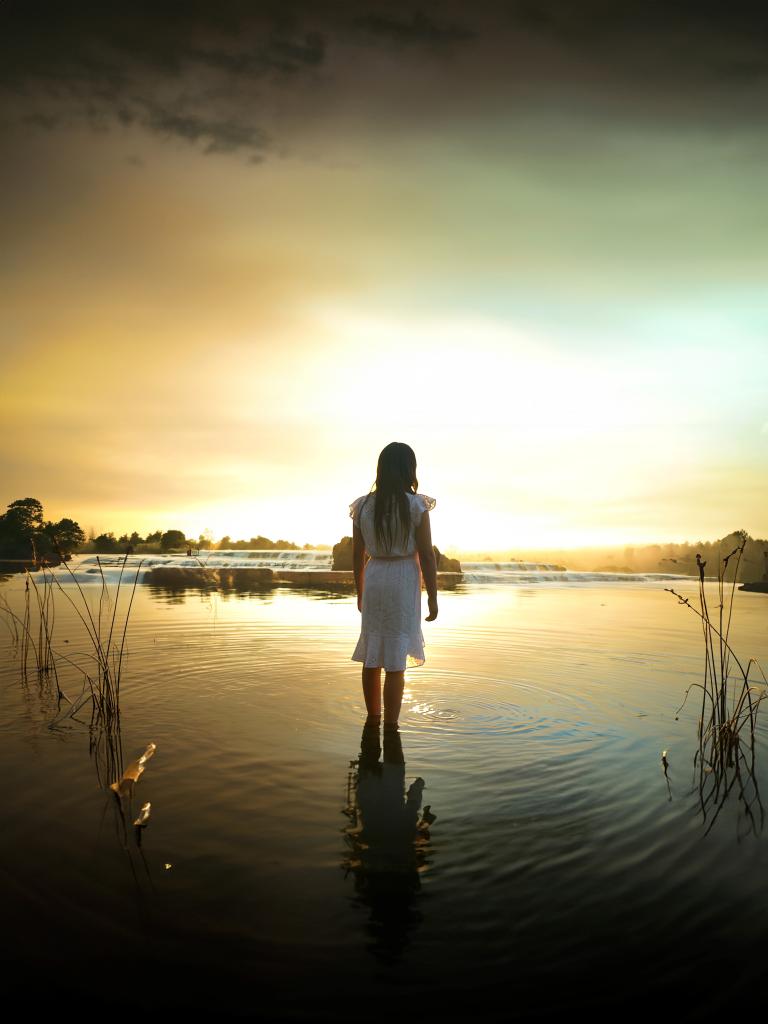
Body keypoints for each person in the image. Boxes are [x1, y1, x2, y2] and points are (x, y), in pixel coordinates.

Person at [349, 442, 438, 731]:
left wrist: (360, 591)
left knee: (373, 649)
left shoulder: (363, 505)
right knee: (397, 654)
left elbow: (357, 553)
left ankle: (373, 718)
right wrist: (433, 598)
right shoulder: (415, 505)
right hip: (403, 578)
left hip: (374, 575)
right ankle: (391, 725)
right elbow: (426, 553)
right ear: (409, 469)